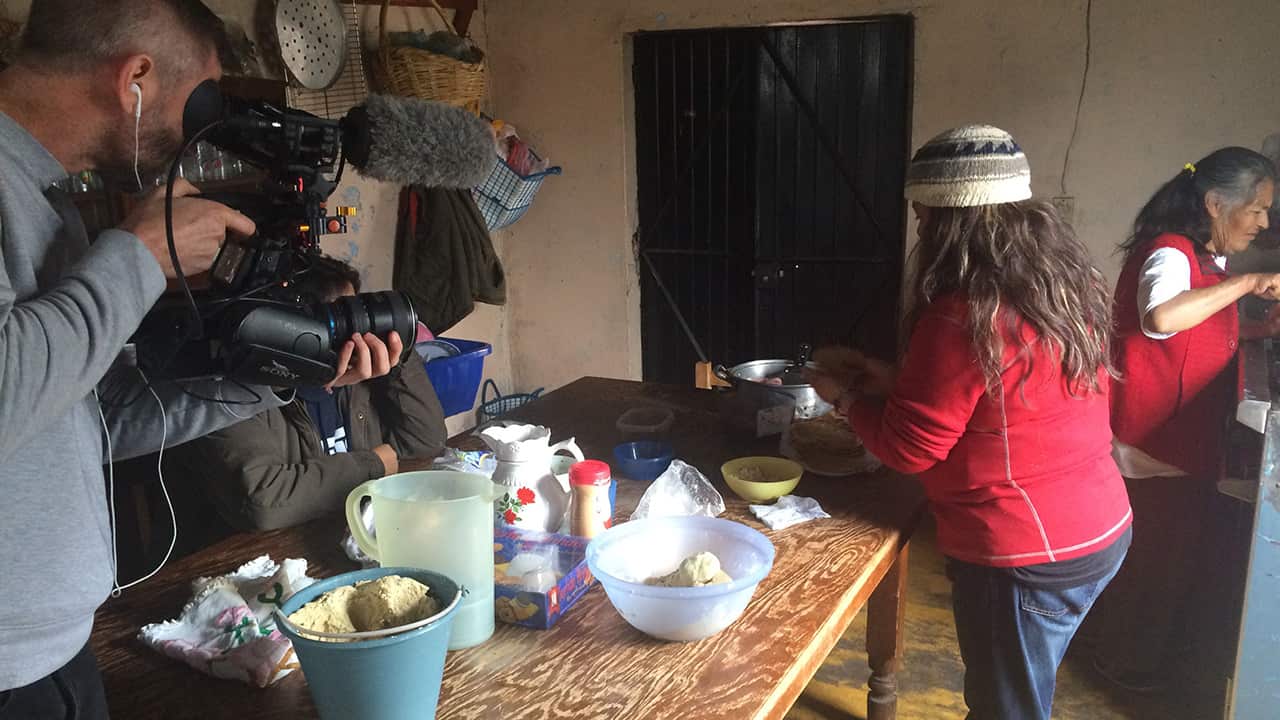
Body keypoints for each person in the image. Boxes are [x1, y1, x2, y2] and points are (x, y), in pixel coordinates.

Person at [0, 2, 400, 716]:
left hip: (54, 654)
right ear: (135, 79)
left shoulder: (45, 199)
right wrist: (138, 256)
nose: (200, 130)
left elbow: (91, 416)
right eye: (201, 101)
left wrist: (279, 376)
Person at [808, 125, 1132, 720]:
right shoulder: (1062, 285)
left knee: (1005, 706)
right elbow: (1002, 395)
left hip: (1024, 552)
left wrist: (845, 400)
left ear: (944, 217)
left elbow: (910, 450)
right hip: (1099, 525)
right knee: (1019, 685)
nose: (919, 228)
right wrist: (887, 377)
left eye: (922, 214)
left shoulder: (965, 313)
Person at [1096, 147, 1278, 691]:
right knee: (1155, 566)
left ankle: (1137, 658)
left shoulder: (1204, 258)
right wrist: (1247, 285)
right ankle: (1123, 667)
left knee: (1167, 562)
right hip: (1153, 442)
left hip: (1172, 438)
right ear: (1216, 203)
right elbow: (1162, 317)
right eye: (1259, 208)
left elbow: (1200, 330)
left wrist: (1254, 330)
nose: (1265, 222)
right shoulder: (1170, 253)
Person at [152, 256, 447, 553]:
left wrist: (397, 358)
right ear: (292, 328)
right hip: (262, 563)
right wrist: (373, 466)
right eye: (337, 320)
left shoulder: (357, 378)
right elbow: (263, 502)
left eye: (353, 311)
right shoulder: (235, 391)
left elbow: (425, 441)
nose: (353, 334)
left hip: (347, 540)